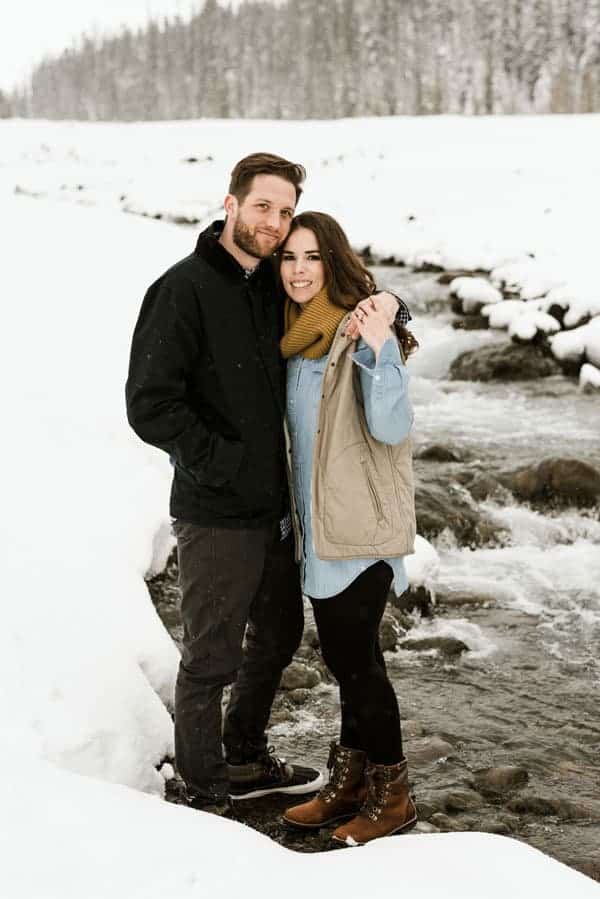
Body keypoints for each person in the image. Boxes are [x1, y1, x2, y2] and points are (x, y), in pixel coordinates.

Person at [125, 154, 405, 814]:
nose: (275, 225)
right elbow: (149, 403)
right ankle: (207, 787)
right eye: (263, 208)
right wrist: (221, 463)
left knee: (276, 638)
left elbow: (338, 290)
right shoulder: (183, 289)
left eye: (284, 212)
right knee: (210, 656)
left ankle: (245, 753)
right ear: (231, 204)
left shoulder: (271, 288)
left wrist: (393, 304)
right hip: (218, 510)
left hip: (280, 514)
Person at [279, 211, 418, 846]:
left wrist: (384, 339)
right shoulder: (293, 334)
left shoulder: (358, 332)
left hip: (359, 534)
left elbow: (391, 428)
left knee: (356, 665)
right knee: (348, 661)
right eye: (289, 257)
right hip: (321, 530)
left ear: (333, 262)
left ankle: (393, 795)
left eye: (312, 257)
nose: (299, 269)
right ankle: (352, 779)